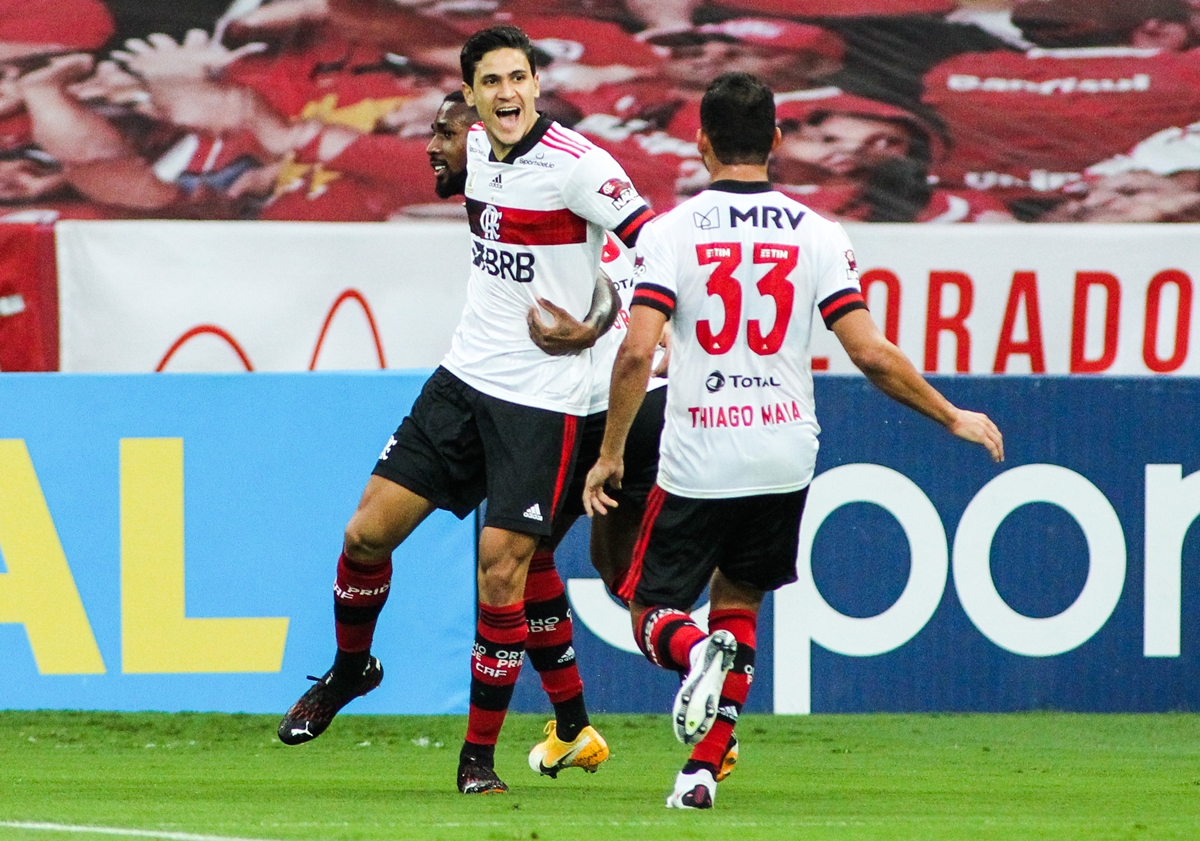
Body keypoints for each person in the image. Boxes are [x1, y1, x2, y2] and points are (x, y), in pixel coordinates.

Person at [582, 71, 1004, 809]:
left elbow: (632, 353)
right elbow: (870, 353)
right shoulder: (819, 234)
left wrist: (612, 452)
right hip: (784, 450)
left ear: (701, 141)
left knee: (650, 608)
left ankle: (692, 654)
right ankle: (704, 769)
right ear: (776, 142)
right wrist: (952, 415)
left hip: (701, 452)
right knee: (740, 599)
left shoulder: (670, 233)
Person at [277, 24, 656, 796]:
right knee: (365, 532)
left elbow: (655, 253)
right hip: (463, 380)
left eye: (520, 78)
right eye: (493, 83)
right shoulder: (476, 150)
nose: (509, 93)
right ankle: (353, 669)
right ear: (474, 95)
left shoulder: (581, 167)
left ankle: (476, 759)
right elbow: (444, 163)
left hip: (543, 403)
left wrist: (596, 321)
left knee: (502, 571)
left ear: (537, 86)